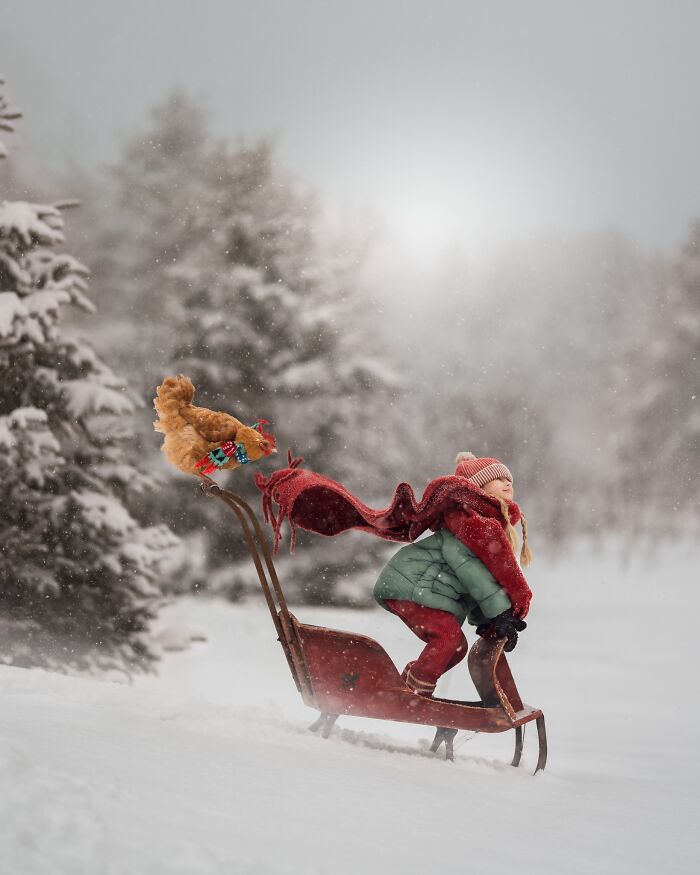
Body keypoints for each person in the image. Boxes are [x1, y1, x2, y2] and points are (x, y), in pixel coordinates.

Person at [373, 451, 533, 697]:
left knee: (456, 647)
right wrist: (500, 614)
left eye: (509, 479)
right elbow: (474, 574)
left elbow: (483, 585)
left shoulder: (484, 527)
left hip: (424, 590)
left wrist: (491, 624)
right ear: (478, 487)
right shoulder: (467, 523)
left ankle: (407, 687)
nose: (508, 483)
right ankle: (414, 695)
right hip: (411, 584)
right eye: (499, 479)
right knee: (448, 638)